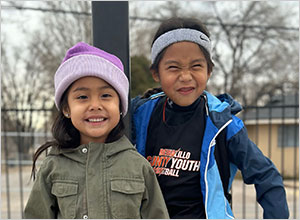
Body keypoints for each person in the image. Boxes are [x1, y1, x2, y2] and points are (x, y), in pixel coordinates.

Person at [130, 17, 289, 219]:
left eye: (196, 66)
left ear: (209, 71)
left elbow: (266, 175)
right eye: (173, 67)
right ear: (156, 73)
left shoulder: (223, 124)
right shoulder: (140, 114)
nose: (185, 76)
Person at [24, 42, 169, 219]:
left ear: (120, 106)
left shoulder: (138, 166)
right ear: (66, 108)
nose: (95, 106)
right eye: (82, 97)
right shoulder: (53, 166)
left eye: (106, 95)